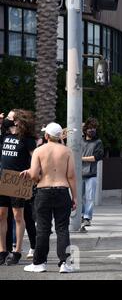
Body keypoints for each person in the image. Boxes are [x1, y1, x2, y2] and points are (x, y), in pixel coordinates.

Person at [21, 123, 77, 273]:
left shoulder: (39, 151)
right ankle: (64, 263)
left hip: (43, 192)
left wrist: (38, 180)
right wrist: (75, 197)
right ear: (59, 136)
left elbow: (33, 175)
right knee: (62, 229)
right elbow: (71, 176)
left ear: (46, 136)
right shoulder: (67, 151)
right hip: (62, 191)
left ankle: (39, 263)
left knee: (43, 229)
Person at [0, 109, 36, 266]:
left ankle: (17, 251)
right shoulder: (4, 136)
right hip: (3, 179)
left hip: (19, 180)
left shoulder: (27, 139)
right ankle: (2, 251)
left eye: (9, 117)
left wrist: (31, 171)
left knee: (18, 217)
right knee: (1, 215)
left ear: (16, 121)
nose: (6, 119)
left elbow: (36, 158)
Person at [81, 118, 104, 227]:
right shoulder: (79, 140)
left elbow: (97, 157)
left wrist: (80, 158)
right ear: (85, 129)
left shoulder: (98, 142)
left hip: (91, 174)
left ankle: (87, 217)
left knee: (90, 197)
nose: (92, 130)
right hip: (79, 173)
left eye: (94, 128)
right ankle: (80, 215)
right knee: (79, 196)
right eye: (90, 128)